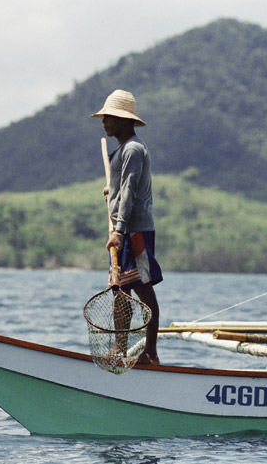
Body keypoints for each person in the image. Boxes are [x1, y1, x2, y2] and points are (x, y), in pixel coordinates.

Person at [91, 89, 162, 365]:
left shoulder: (133, 149)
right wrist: (112, 190)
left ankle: (150, 353)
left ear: (123, 120)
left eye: (109, 117)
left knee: (143, 291)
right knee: (120, 290)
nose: (104, 121)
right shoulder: (120, 151)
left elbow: (131, 191)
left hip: (134, 232)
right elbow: (123, 188)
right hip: (122, 231)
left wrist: (119, 231)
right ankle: (120, 350)